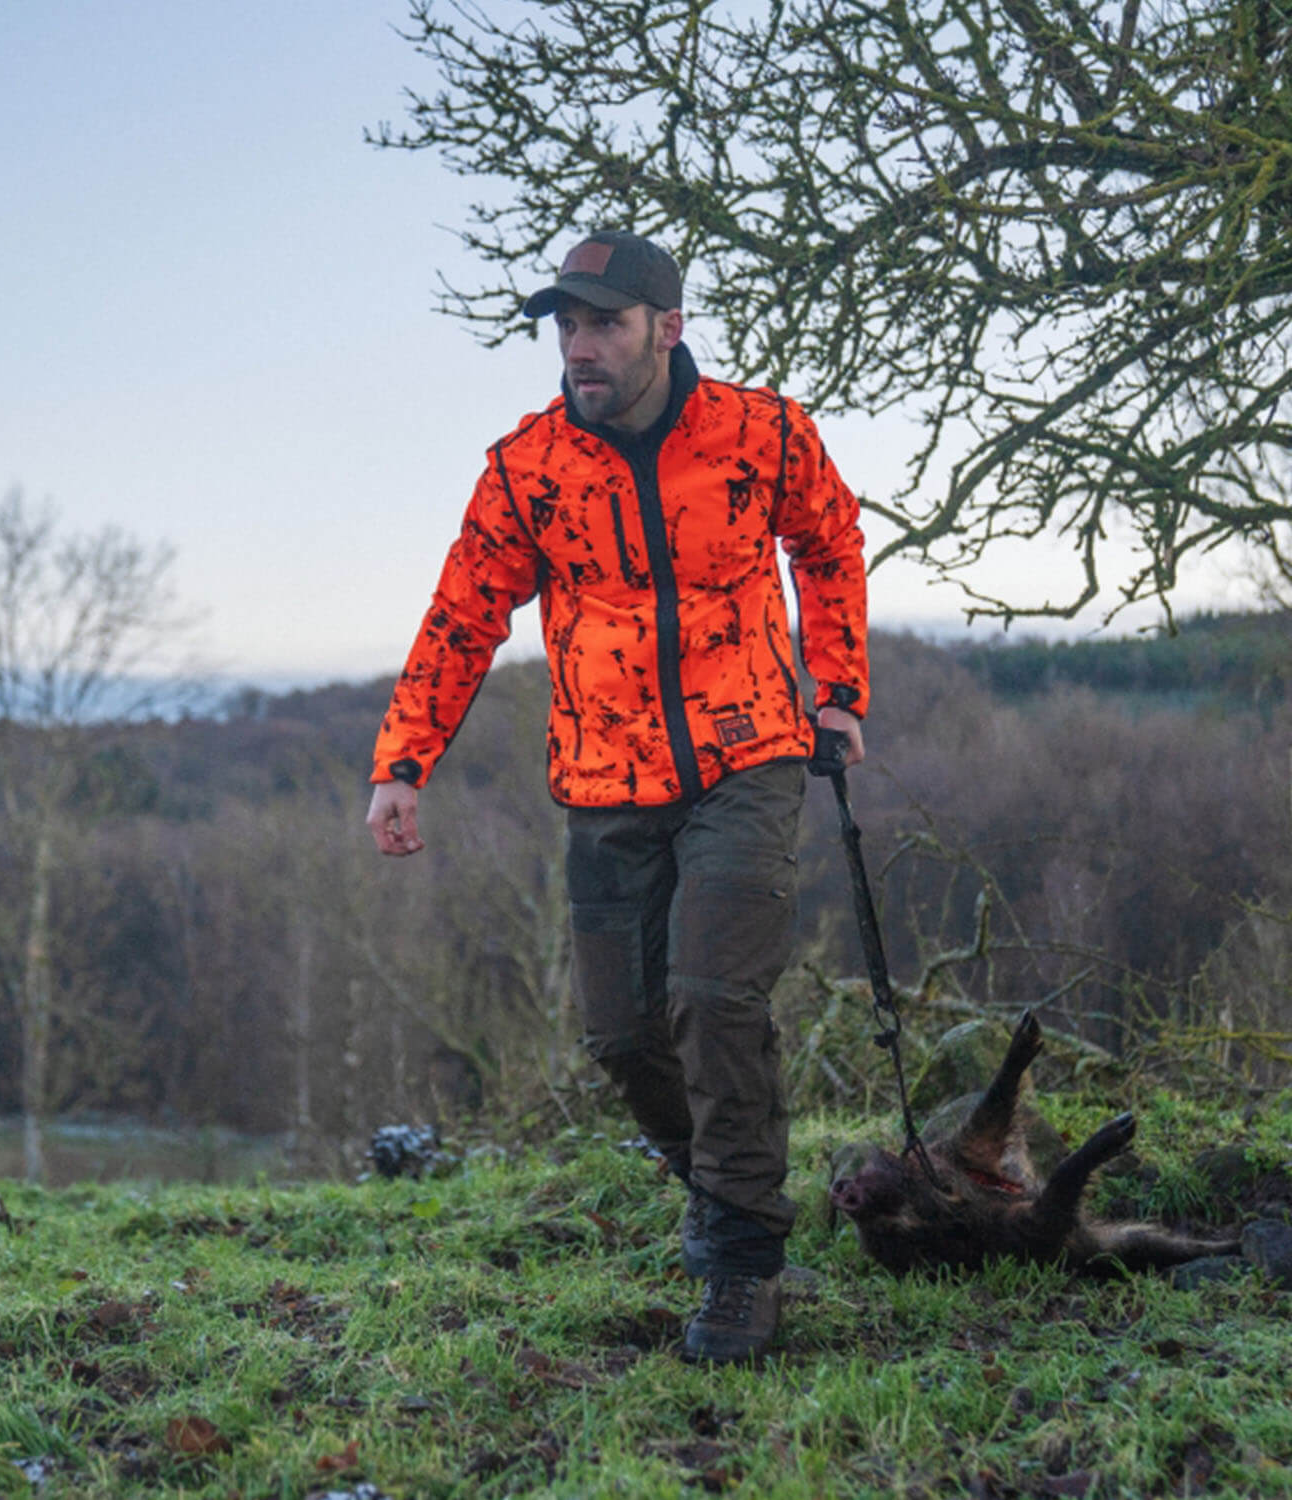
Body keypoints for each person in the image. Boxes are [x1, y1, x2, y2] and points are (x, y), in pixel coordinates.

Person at [367, 229, 870, 1363]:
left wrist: (836, 691)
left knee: (714, 999)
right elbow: (461, 618)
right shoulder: (527, 467)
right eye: (568, 325)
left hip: (750, 756)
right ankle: (726, 1187)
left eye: (605, 322)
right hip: (604, 779)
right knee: (624, 1036)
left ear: (668, 328)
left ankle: (743, 1262)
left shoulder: (763, 435)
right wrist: (403, 764)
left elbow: (828, 544)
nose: (581, 346)